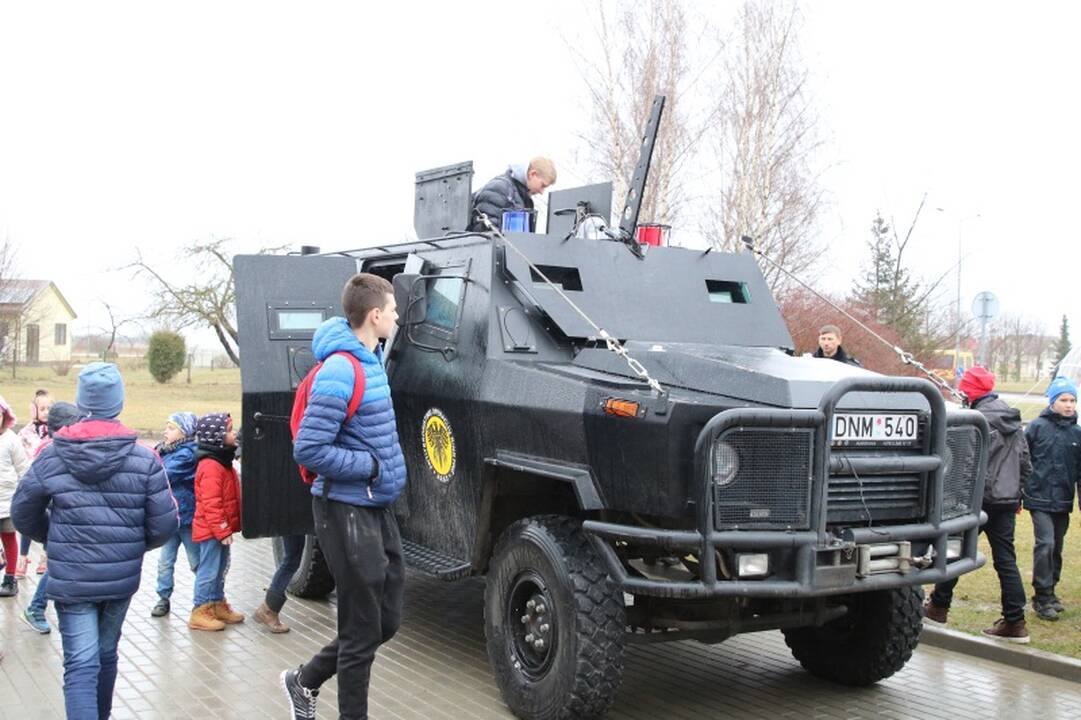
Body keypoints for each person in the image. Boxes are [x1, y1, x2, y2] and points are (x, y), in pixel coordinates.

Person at [10, 362, 177, 719]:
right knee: (105, 655)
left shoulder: (52, 455)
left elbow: (23, 512)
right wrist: (131, 545)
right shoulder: (145, 459)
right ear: (118, 402)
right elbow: (164, 525)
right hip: (119, 579)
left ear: (82, 401)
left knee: (81, 665)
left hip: (71, 579)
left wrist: (54, 538)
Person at [281, 273, 408, 720]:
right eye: (392, 310)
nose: (396, 316)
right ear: (375, 316)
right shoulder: (342, 369)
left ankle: (304, 679)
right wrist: (370, 466)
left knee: (385, 621)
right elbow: (310, 449)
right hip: (344, 508)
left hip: (375, 506)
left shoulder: (372, 358)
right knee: (359, 633)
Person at [923, 367, 1032, 641]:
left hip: (977, 500)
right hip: (1006, 500)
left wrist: (958, 497)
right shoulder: (1012, 417)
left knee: (954, 550)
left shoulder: (974, 418)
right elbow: (1025, 462)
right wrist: (1017, 494)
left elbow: (966, 462)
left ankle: (938, 606)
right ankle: (1015, 621)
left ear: (970, 391)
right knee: (1006, 559)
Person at [20, 401, 83, 634]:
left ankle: (39, 606)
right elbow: (32, 497)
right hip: (56, 522)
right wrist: (45, 529)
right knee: (58, 565)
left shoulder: (73, 449)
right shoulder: (48, 452)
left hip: (68, 522)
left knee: (59, 565)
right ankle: (36, 607)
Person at [1023, 376, 1081, 621]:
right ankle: (1042, 595)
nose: (1069, 405)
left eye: (1073, 400)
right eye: (1064, 400)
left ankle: (1051, 590)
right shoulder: (1036, 427)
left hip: (1063, 500)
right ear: (1052, 401)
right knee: (1045, 544)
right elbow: (1023, 461)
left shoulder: (1078, 433)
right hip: (1039, 498)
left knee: (1057, 547)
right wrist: (1020, 492)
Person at [188, 412, 244, 631]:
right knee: (209, 570)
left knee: (220, 568)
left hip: (220, 530)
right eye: (229, 430)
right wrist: (222, 529)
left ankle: (217, 603)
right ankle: (200, 610)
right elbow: (212, 503)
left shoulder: (223, 460)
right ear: (217, 436)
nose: (234, 434)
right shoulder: (211, 466)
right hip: (212, 531)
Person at [151, 411, 199, 618]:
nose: (165, 432)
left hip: (186, 517)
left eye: (171, 428)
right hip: (170, 517)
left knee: (196, 561)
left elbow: (164, 474)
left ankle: (205, 598)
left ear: (184, 432)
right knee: (165, 561)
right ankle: (163, 597)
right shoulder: (165, 450)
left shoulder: (187, 454)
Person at [16, 389, 51, 578]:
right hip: (31, 482)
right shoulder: (25, 433)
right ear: (34, 410)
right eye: (42, 408)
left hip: (49, 484)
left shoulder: (56, 432)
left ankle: (45, 556)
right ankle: (23, 557)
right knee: (29, 519)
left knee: (50, 518)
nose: (46, 411)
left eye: (49, 408)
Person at [469, 157, 556, 232]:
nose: (542, 192)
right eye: (543, 185)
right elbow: (486, 233)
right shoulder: (500, 189)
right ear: (532, 174)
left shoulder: (519, 195)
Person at [0, 395, 30, 598]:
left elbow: (23, 469)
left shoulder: (11, 439)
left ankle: (10, 579)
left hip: (7, 500)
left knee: (9, 538)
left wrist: (25, 494)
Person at [255, 534, 305, 633]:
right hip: (293, 521)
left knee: (292, 558)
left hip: (294, 521)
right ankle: (268, 609)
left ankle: (268, 608)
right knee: (292, 559)